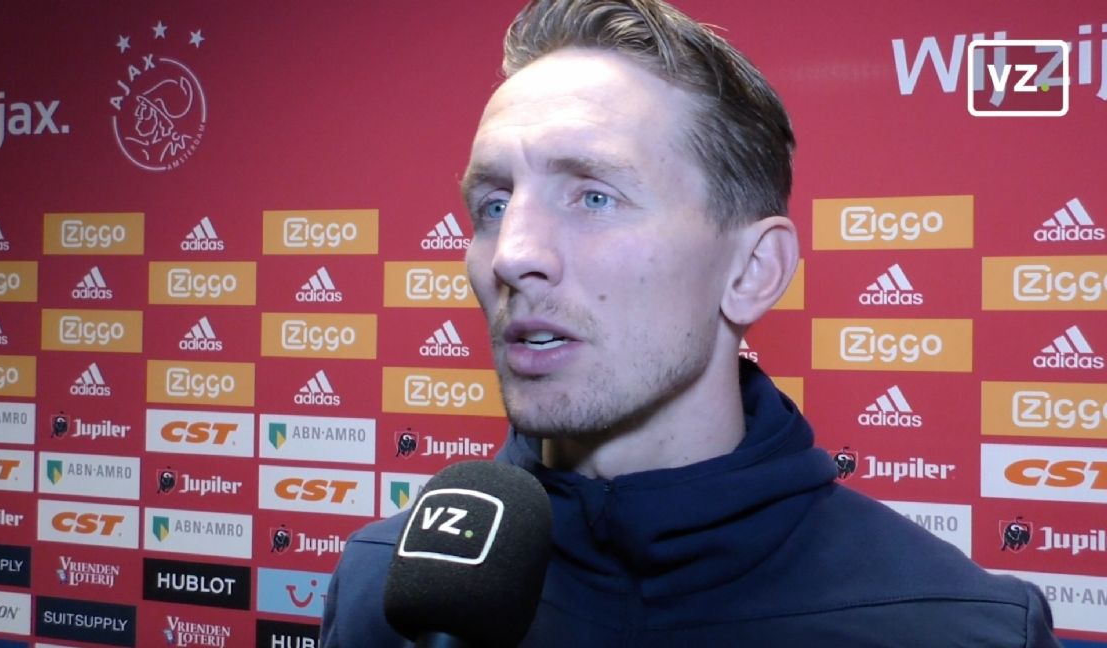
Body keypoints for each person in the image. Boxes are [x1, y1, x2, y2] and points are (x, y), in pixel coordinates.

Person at [321, 0, 1061, 645]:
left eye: (594, 197)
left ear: (752, 271)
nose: (513, 255)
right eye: (493, 204)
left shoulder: (956, 627)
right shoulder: (383, 592)